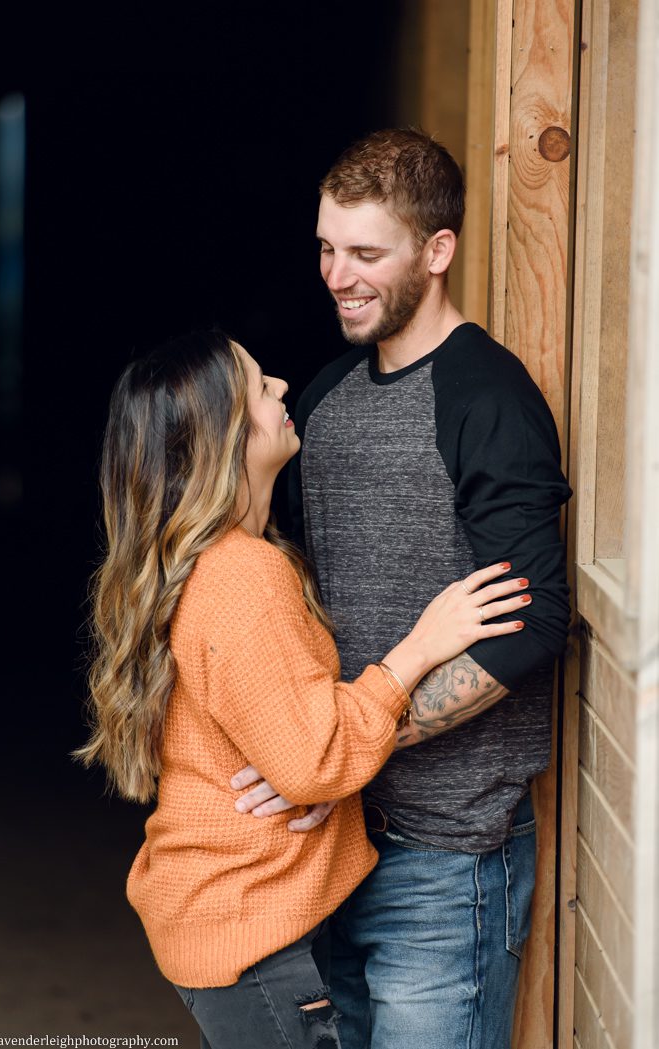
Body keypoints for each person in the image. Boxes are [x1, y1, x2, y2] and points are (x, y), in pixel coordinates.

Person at [74, 330, 531, 1049]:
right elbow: (316, 759)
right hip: (248, 935)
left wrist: (313, 774)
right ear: (221, 435)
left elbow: (296, 750)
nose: (282, 387)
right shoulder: (242, 575)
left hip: (229, 918)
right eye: (259, 387)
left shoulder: (226, 561)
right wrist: (419, 646)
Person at [232, 129, 572, 1049]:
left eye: (366, 253)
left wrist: (355, 744)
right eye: (326, 247)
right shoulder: (328, 400)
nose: (337, 274)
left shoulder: (487, 398)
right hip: (333, 846)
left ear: (437, 251)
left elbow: (533, 622)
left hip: (447, 862)